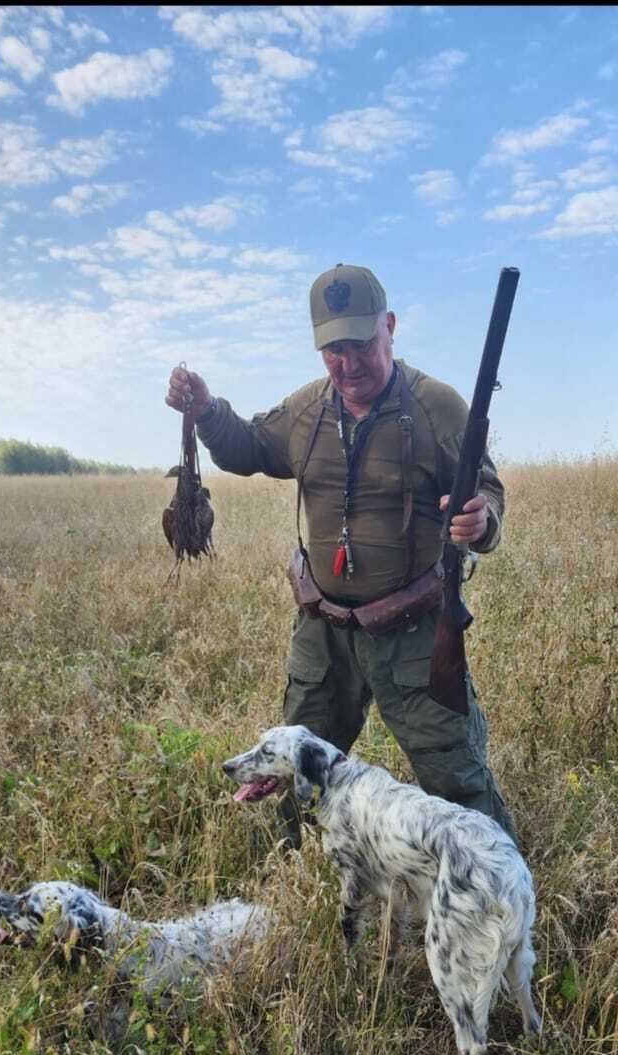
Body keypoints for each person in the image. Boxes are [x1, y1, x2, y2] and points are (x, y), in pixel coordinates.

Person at [165, 263, 517, 845]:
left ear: (391, 327)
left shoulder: (438, 408)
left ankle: (501, 885)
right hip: (323, 634)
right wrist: (206, 411)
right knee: (289, 777)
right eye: (332, 350)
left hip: (413, 635)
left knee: (455, 779)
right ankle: (278, 892)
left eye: (359, 345)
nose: (347, 364)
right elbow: (249, 447)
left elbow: (488, 494)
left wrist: (481, 521)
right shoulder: (308, 409)